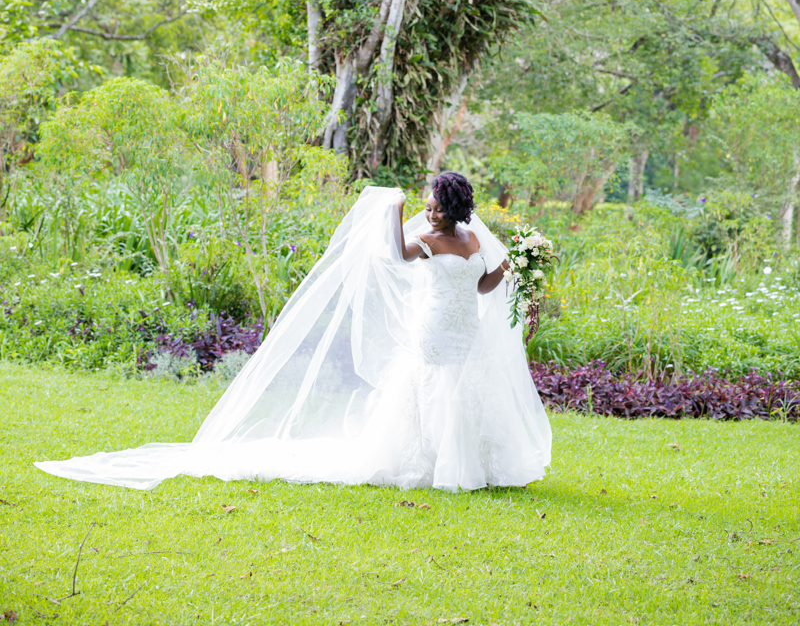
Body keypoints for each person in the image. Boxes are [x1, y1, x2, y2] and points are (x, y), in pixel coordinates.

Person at [35, 175, 551, 492]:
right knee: (430, 388)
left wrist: (509, 271)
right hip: (436, 327)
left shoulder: (469, 238)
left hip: (466, 327)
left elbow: (481, 286)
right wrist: (392, 212)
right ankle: (434, 464)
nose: (430, 207)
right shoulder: (427, 238)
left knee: (464, 390)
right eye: (427, 203)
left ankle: (471, 464)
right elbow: (394, 256)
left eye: (436, 203)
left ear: (456, 206)